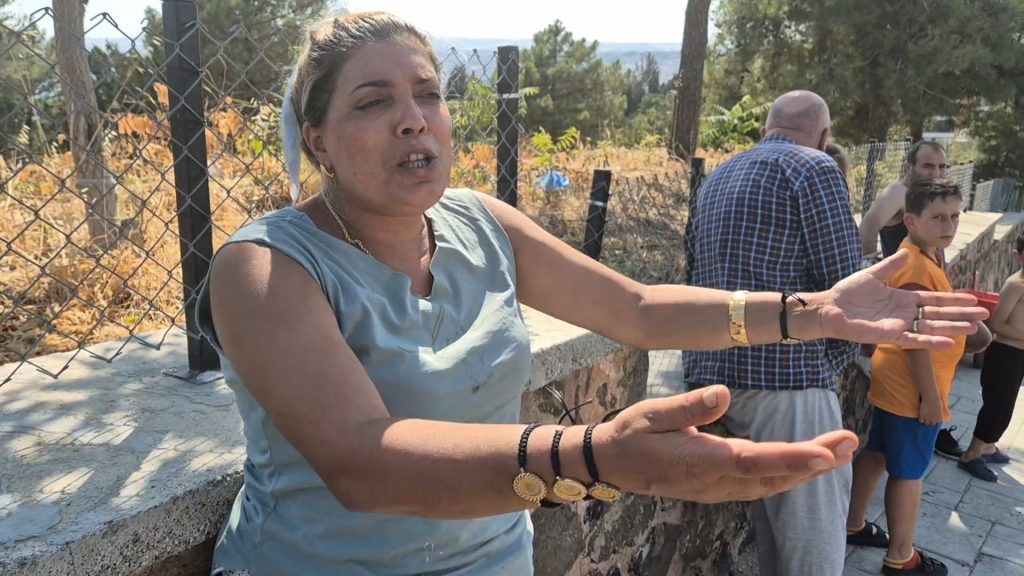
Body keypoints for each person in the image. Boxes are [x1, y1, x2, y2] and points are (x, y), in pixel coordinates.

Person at [195, 12, 986, 575]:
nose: (414, 121)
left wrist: (807, 313)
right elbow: (361, 462)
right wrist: (597, 456)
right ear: (318, 139)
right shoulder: (266, 267)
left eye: (428, 94)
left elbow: (634, 310)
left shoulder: (479, 222)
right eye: (374, 102)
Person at [682, 90, 869, 576]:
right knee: (812, 547)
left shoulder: (717, 176)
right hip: (788, 382)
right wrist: (830, 363)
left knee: (771, 534)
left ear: (765, 129)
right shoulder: (815, 168)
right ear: (823, 137)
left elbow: (692, 274)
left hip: (714, 376)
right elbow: (844, 288)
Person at [845, 180, 991, 576]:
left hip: (894, 381)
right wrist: (930, 397)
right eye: (938, 217)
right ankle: (901, 557)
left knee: (876, 453)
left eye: (955, 216)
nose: (950, 225)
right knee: (908, 473)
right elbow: (915, 340)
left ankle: (853, 523)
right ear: (911, 220)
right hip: (912, 390)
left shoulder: (924, 255)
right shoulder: (914, 266)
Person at [858, 141, 963, 460]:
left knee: (879, 451)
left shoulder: (932, 201)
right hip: (905, 295)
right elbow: (868, 225)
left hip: (915, 293)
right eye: (928, 166)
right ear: (910, 167)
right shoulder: (899, 194)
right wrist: (870, 269)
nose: (937, 172)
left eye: (942, 166)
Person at [958, 230, 1024, 481]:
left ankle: (988, 447)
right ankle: (971, 455)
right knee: (997, 407)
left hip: (1018, 356)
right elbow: (996, 324)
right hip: (1005, 354)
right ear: (1018, 256)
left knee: (1005, 406)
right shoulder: (1016, 285)